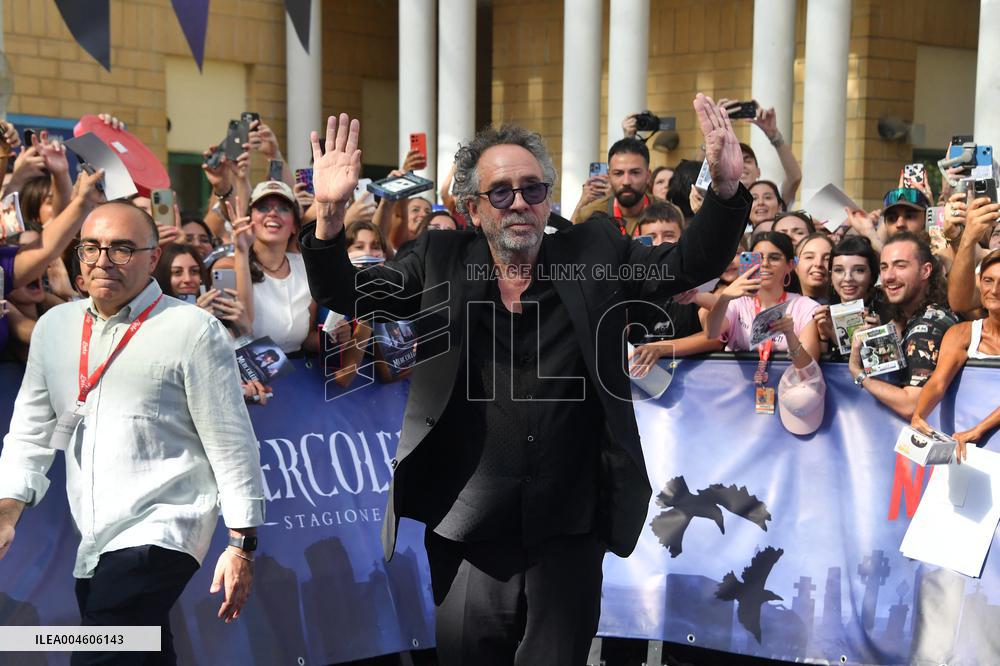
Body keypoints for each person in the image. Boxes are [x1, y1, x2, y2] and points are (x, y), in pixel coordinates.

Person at [299, 93, 749, 665]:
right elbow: (351, 293)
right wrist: (331, 220)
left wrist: (728, 195)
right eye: (501, 193)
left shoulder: (593, 251)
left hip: (570, 529)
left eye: (533, 189)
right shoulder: (441, 256)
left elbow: (684, 265)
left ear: (549, 197)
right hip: (467, 529)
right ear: (473, 207)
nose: (519, 203)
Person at [0, 202, 265, 663]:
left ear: (152, 256)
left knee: (98, 649)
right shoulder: (54, 328)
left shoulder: (193, 330)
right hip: (96, 535)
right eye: (91, 248)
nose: (103, 260)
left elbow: (232, 441)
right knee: (142, 649)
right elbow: (31, 431)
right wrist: (7, 510)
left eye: (122, 249)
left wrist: (241, 544)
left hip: (165, 529)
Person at [848, 232, 957, 420]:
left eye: (900, 266)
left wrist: (858, 373)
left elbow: (912, 405)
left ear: (926, 271)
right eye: (884, 267)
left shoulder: (928, 326)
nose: (889, 276)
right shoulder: (908, 319)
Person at [911, 249, 1000, 462]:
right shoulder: (962, 333)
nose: (995, 290)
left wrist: (979, 429)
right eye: (988, 281)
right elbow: (938, 383)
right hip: (967, 455)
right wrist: (919, 415)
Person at [706, 231, 821, 366]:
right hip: (737, 385)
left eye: (774, 257)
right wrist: (724, 298)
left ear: (790, 266)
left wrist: (790, 335)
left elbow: (809, 367)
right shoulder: (736, 303)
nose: (765, 263)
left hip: (787, 385)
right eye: (758, 257)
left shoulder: (806, 307)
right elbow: (712, 333)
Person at [572, 138, 654, 235]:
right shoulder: (588, 216)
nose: (626, 181)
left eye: (635, 172)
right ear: (609, 176)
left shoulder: (671, 213)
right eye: (618, 173)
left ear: (648, 176)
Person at [794, 233, 833, 305]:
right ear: (795, 265)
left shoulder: (849, 309)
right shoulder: (784, 311)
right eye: (809, 257)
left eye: (827, 259)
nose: (818, 264)